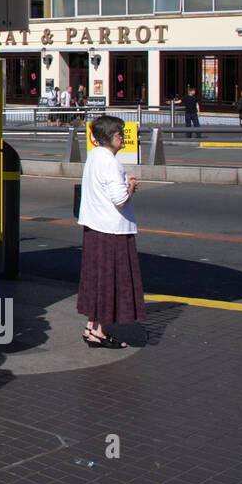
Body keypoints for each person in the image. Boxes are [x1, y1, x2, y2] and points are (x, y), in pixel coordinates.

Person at [77, 115, 146, 348]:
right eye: (120, 134)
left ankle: (91, 326)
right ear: (111, 137)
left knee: (96, 279)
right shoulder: (110, 161)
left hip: (95, 227)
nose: (123, 137)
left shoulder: (95, 156)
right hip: (112, 230)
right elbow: (119, 199)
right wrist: (132, 187)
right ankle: (99, 331)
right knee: (110, 280)